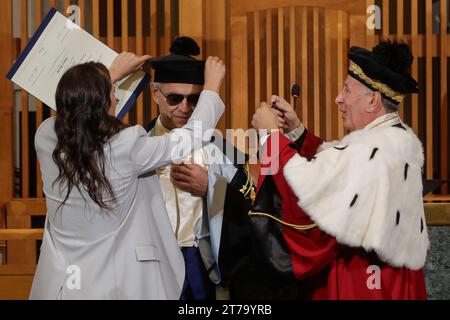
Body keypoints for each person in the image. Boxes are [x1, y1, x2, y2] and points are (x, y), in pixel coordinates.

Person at [30, 52, 226, 299]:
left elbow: (78, 106)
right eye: (113, 95)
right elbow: (190, 137)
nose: (115, 99)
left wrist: (111, 74)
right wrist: (210, 89)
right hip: (112, 282)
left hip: (64, 284)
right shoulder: (126, 145)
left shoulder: (46, 137)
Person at [251, 40, 428, 299]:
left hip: (363, 287)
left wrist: (270, 139)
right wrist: (297, 132)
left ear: (372, 100)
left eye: (346, 90)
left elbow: (310, 198)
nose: (338, 98)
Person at [145, 36, 254, 300]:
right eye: (175, 98)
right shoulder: (138, 144)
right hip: (151, 262)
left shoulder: (220, 146)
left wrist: (211, 187)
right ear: (155, 93)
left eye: (194, 99)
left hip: (200, 263)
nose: (185, 108)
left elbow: (249, 203)